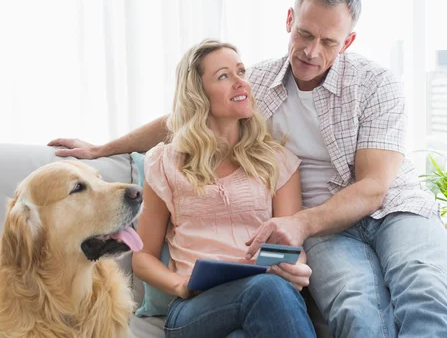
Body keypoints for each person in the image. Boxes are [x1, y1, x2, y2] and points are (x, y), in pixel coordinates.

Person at [49, 0, 447, 337]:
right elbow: (181, 117)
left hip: (387, 209)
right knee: (356, 307)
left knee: (426, 288)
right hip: (319, 231)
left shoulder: (374, 86)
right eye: (304, 34)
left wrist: (296, 242)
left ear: (349, 42)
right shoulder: (254, 88)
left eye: (328, 42)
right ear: (289, 20)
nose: (311, 51)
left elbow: (373, 188)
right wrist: (104, 149)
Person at [134, 39, 316, 337]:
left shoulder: (277, 161)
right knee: (267, 290)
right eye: (224, 76)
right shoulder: (165, 163)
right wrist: (179, 285)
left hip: (264, 295)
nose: (240, 82)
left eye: (241, 71)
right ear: (198, 93)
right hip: (193, 310)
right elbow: (143, 257)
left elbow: (290, 245)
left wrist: (296, 268)